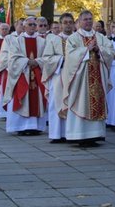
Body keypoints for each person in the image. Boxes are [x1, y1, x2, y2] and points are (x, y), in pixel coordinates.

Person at [61, 10, 115, 147]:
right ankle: (79, 135)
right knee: (81, 102)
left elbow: (110, 51)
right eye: (85, 19)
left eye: (90, 19)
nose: (88, 21)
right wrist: (86, 50)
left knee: (96, 101)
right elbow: (70, 57)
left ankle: (96, 135)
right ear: (79, 21)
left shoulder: (100, 37)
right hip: (81, 80)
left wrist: (99, 50)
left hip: (98, 77)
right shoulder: (73, 38)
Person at [3, 17, 47, 136]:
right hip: (22, 74)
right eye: (30, 24)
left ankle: (36, 126)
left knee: (37, 97)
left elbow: (47, 57)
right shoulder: (17, 41)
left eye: (34, 24)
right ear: (24, 26)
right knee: (22, 97)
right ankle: (21, 126)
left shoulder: (42, 41)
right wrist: (26, 62)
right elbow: (12, 58)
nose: (32, 26)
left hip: (37, 74)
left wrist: (37, 62)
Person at [42, 13, 74, 143]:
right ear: (60, 25)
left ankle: (71, 133)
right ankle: (56, 134)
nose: (68, 25)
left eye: (70, 22)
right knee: (56, 103)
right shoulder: (53, 40)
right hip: (58, 75)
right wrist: (62, 59)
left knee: (72, 104)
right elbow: (47, 58)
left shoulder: (77, 38)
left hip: (74, 76)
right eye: (65, 22)